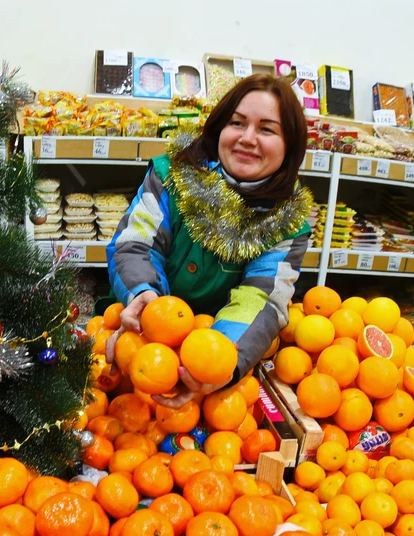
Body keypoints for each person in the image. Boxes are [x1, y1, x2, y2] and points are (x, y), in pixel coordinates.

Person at [105, 74, 313, 408]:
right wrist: (143, 293)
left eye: (267, 129)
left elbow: (260, 300)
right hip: (144, 341)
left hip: (215, 365)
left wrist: (217, 360)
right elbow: (135, 244)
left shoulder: (286, 225)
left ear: (290, 146)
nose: (247, 138)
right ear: (219, 127)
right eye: (237, 123)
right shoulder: (170, 176)